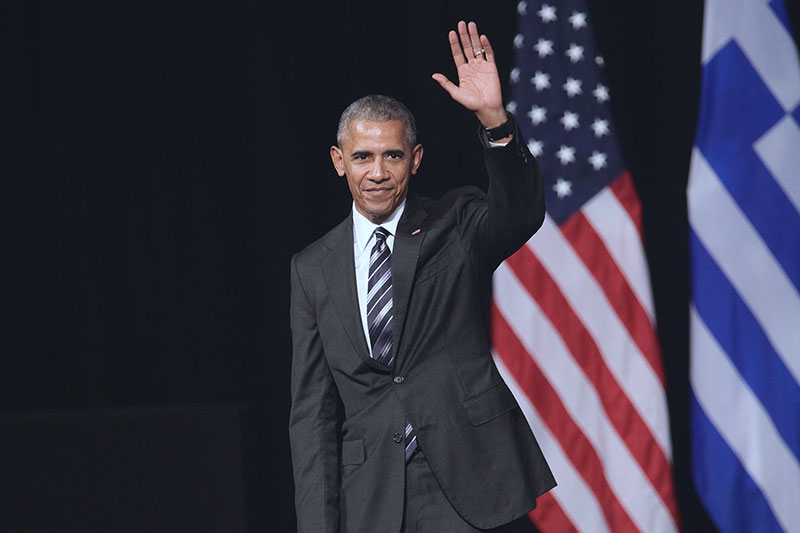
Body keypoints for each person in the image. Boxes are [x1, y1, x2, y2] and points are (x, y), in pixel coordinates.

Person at [289, 20, 555, 532]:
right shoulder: (311, 268)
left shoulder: (453, 223)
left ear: (415, 159)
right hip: (374, 498)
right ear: (339, 161)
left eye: (392, 155)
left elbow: (520, 213)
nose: (377, 172)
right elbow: (312, 413)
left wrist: (495, 121)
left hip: (472, 481)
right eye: (362, 157)